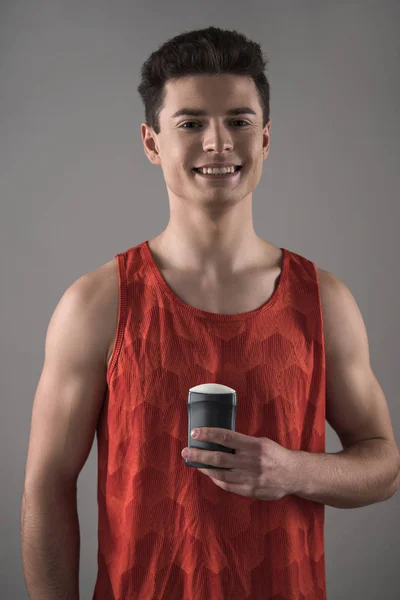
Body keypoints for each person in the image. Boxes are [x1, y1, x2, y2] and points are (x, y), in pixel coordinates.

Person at [21, 26, 399, 600]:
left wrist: (293, 471)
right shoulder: (97, 304)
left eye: (239, 122)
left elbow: (384, 466)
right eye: (191, 123)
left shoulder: (325, 301)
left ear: (265, 138)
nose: (219, 143)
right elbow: (47, 490)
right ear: (152, 143)